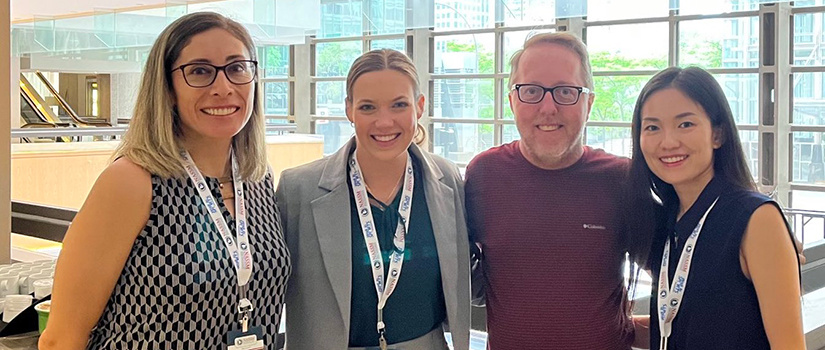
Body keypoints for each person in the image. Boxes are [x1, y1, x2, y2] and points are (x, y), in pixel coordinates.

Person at [39, 12, 290, 349]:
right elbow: (61, 338)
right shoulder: (132, 182)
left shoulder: (256, 179)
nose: (223, 87)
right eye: (200, 71)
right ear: (167, 88)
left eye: (237, 68)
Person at [276, 49, 470, 350]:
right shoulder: (298, 189)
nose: (384, 122)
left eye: (399, 105)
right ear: (349, 110)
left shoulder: (448, 181)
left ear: (419, 107)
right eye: (368, 107)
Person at [465, 31, 639, 349]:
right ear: (512, 101)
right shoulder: (483, 176)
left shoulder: (622, 180)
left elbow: (677, 274)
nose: (548, 107)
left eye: (565, 91)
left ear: (589, 102)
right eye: (531, 90)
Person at [627, 66, 805, 349]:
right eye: (652, 127)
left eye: (685, 124)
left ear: (718, 134)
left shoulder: (756, 219)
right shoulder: (667, 222)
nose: (668, 142)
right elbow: (684, 325)